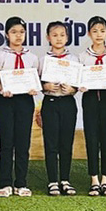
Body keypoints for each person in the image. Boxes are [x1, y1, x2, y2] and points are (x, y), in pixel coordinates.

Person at [0, 16, 40, 197]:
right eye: (13, 32)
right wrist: (2, 89)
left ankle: (21, 183)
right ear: (6, 34)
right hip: (5, 100)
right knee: (6, 142)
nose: (18, 36)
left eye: (21, 32)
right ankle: (5, 183)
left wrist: (34, 89)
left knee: (23, 142)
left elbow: (35, 80)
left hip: (25, 101)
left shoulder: (32, 58)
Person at [79, 15, 106, 197]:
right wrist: (80, 85)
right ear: (89, 34)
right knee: (92, 137)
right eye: (95, 31)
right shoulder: (83, 56)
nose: (99, 34)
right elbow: (79, 78)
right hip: (89, 98)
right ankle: (94, 179)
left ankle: (105, 179)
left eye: (102, 31)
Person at [39, 21, 78, 196]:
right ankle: (53, 181)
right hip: (50, 102)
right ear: (48, 38)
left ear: (67, 37)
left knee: (66, 143)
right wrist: (45, 86)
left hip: (68, 103)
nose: (59, 38)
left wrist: (73, 89)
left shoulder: (73, 60)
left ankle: (65, 180)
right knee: (51, 143)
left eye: (62, 35)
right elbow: (34, 82)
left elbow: (79, 82)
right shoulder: (43, 60)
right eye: (54, 35)